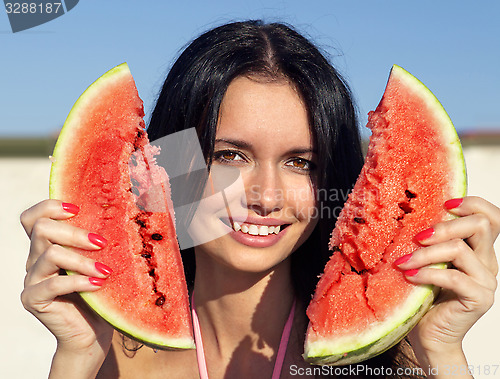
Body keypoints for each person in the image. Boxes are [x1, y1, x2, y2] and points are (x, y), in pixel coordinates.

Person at [20, 20, 499, 379]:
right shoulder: (103, 361)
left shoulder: (400, 364)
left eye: (301, 163)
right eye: (229, 155)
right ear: (161, 167)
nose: (266, 197)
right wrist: (77, 357)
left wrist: (441, 350)